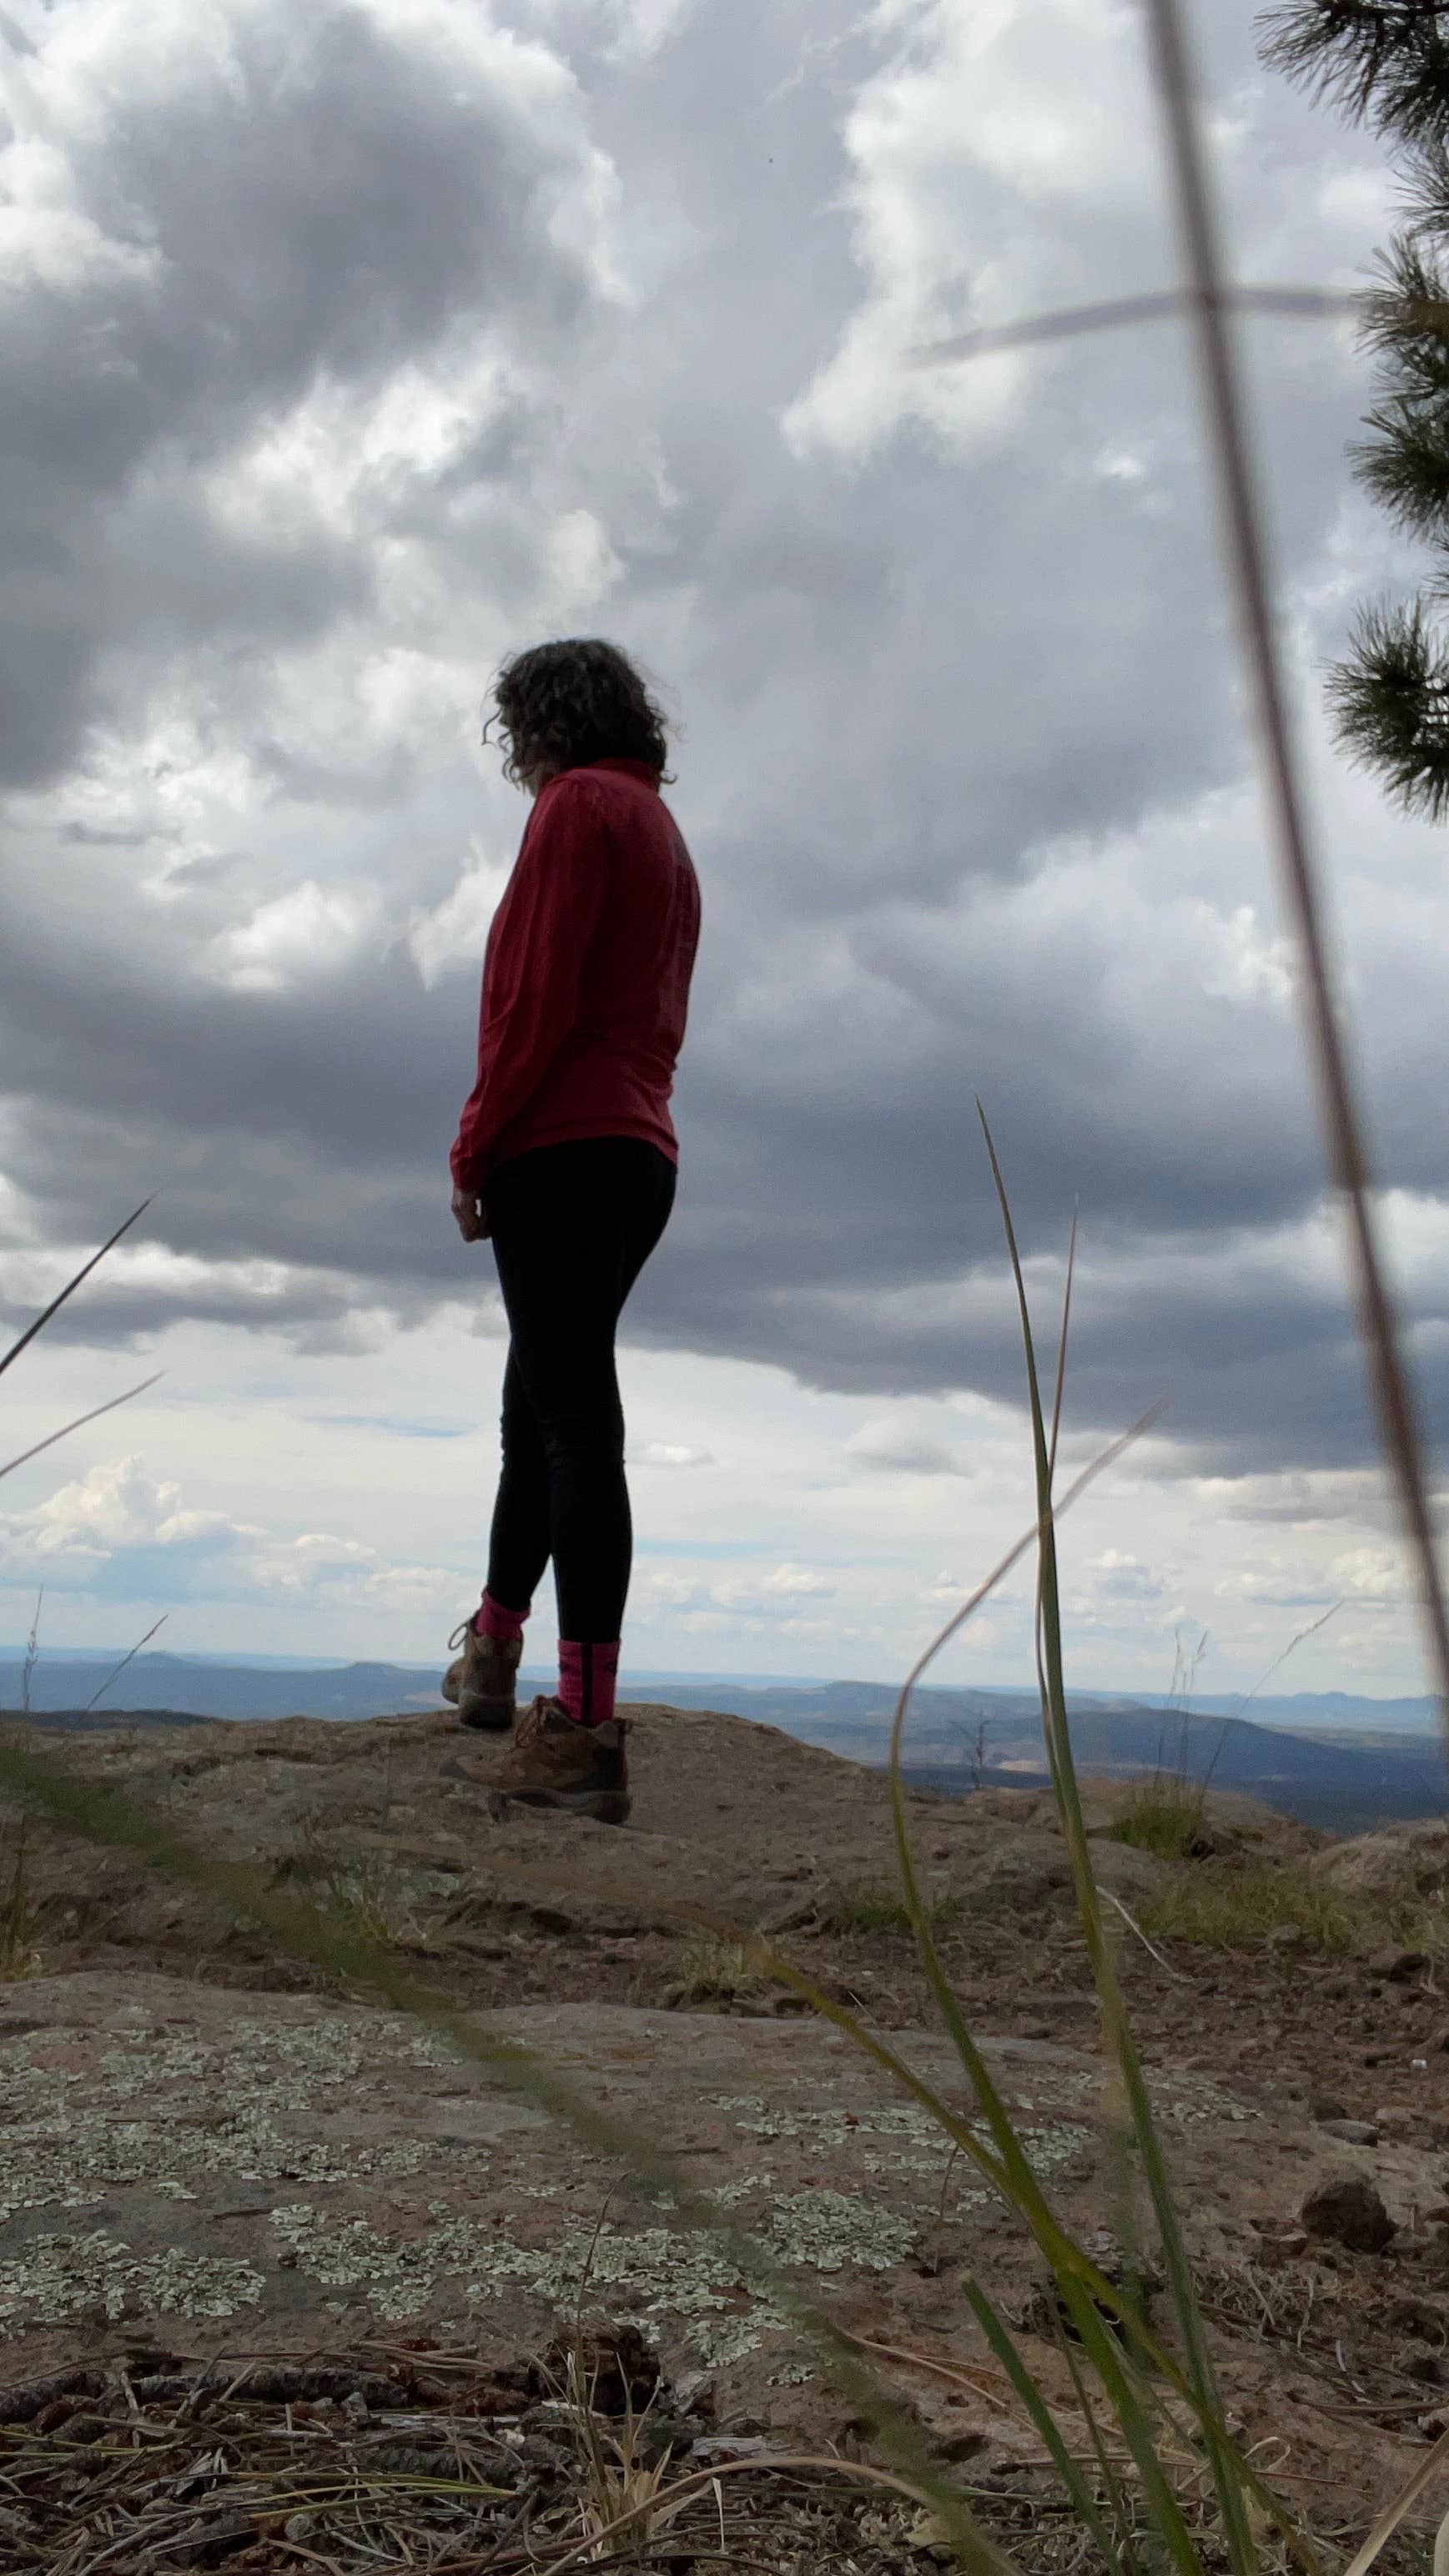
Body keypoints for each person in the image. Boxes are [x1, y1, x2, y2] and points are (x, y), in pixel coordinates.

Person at [442, 637, 701, 1825]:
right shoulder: (656, 827)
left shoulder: (573, 809)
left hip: (564, 1143)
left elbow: (529, 999)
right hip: (639, 1148)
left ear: (539, 722)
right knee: (537, 1411)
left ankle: (585, 1731)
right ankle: (492, 1653)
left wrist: (476, 1145)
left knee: (572, 1423)